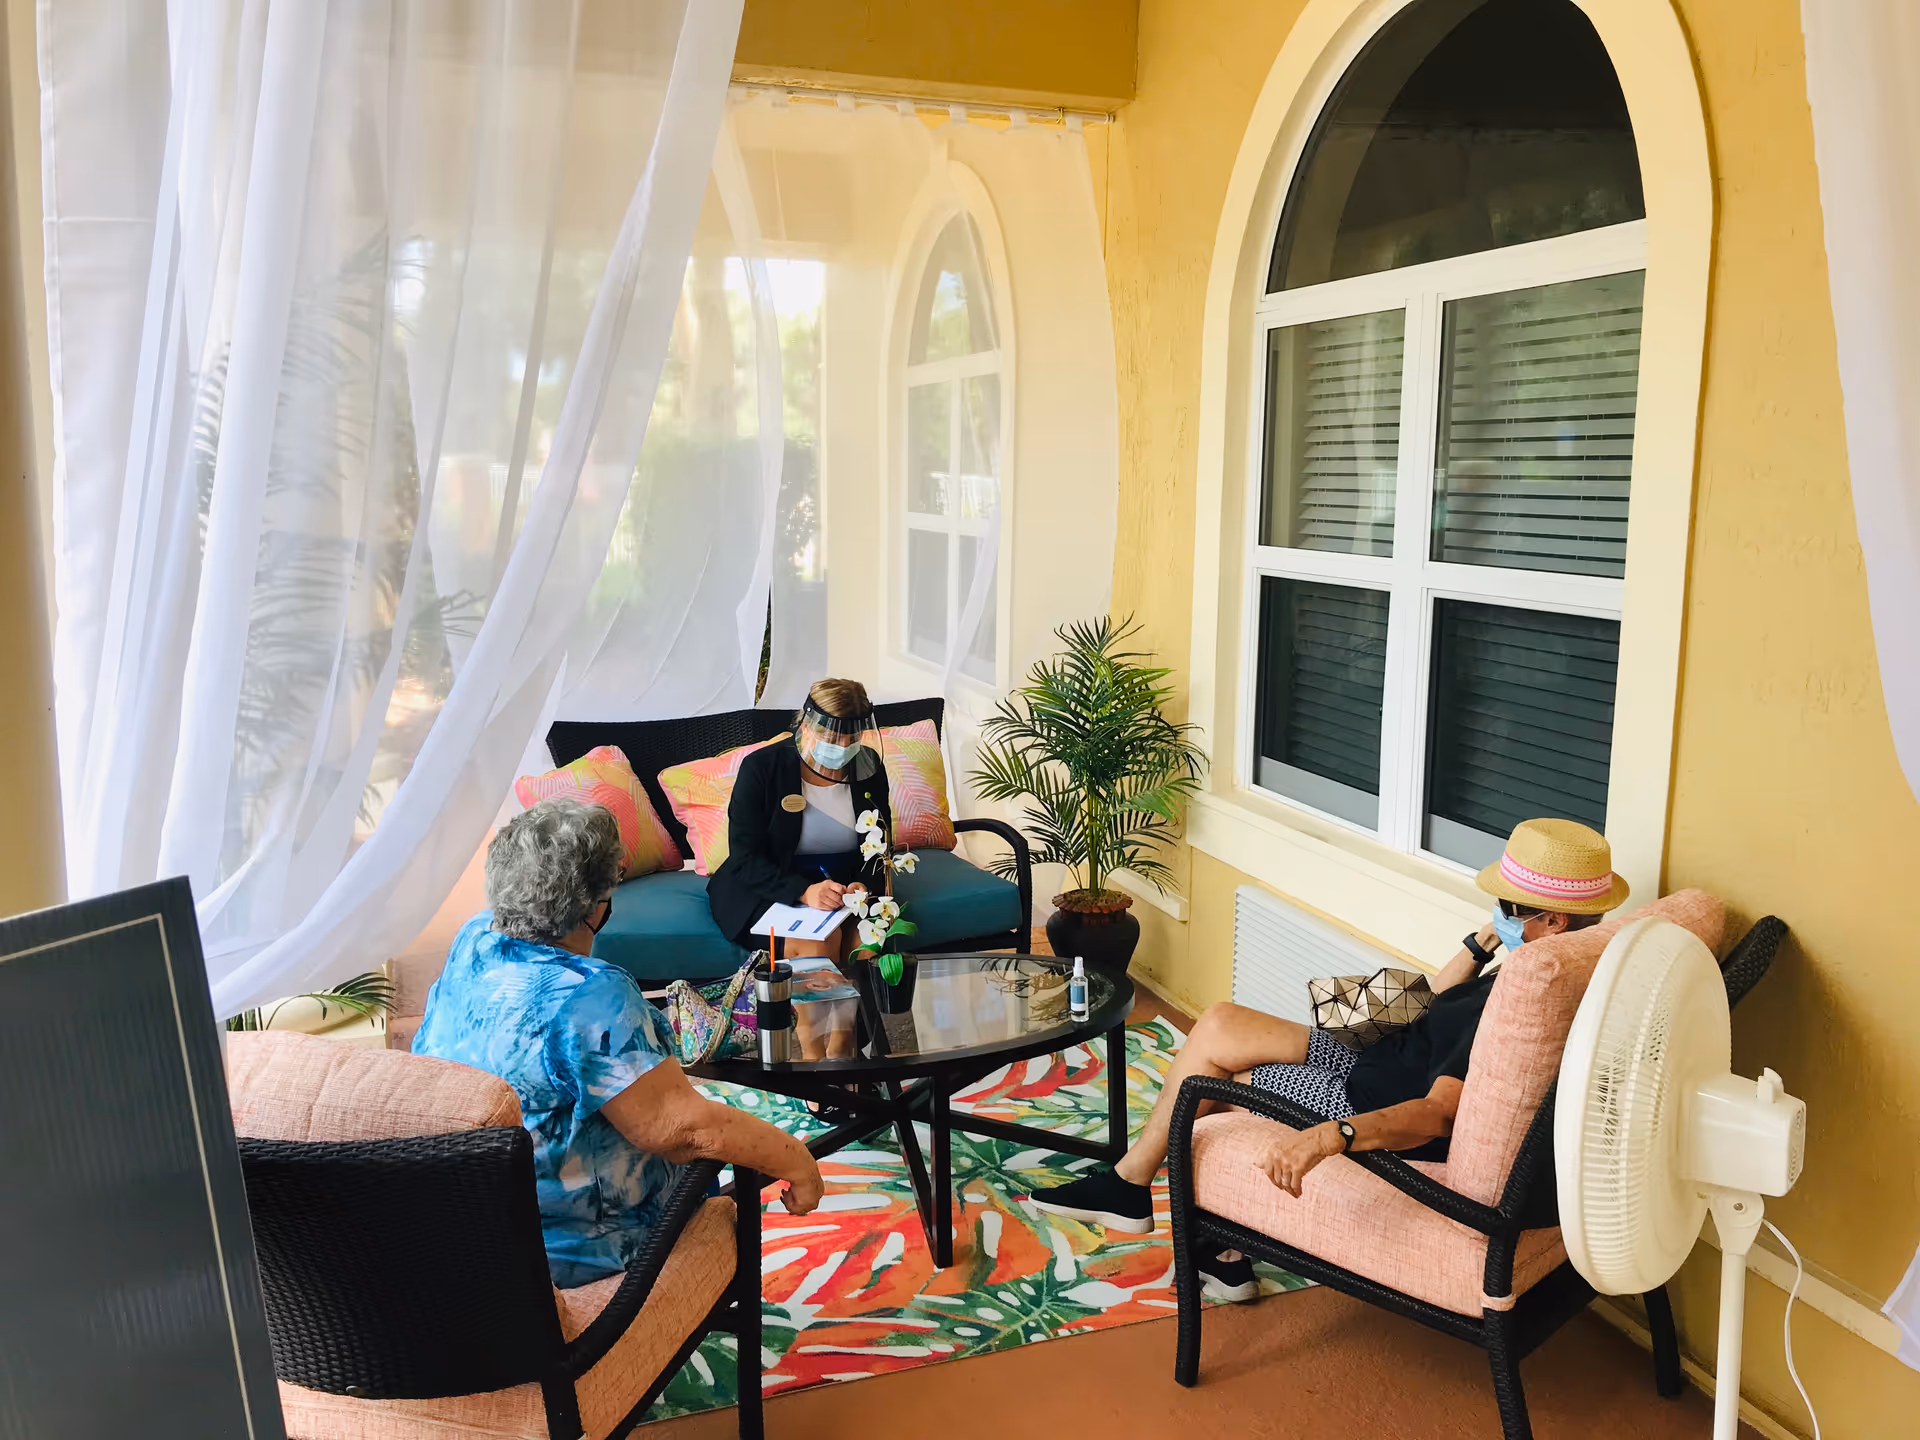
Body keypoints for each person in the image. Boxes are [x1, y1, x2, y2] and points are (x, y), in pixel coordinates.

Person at [1028, 817, 1627, 1303]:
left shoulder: (1519, 1006)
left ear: (1551, 919)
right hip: (1374, 1052)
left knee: (1216, 1076)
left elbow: (1439, 1112)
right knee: (1218, 1023)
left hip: (1365, 1097)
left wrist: (1333, 1135)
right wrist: (1484, 942)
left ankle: (1154, 1202)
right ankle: (1183, 1223)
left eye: (1508, 906)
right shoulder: (1547, 966)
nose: (1499, 912)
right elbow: (1433, 1004)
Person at [413, 797, 825, 1288]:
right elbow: (682, 1131)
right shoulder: (591, 994)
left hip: (470, 1211)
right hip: (572, 1243)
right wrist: (798, 1163)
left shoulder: (475, 937)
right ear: (594, 908)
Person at [706, 677, 892, 965]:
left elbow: (879, 843)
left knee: (869, 949)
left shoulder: (868, 767)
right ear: (806, 726)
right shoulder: (761, 769)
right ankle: (812, 1010)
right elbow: (745, 858)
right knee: (818, 947)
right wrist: (804, 892)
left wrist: (863, 885)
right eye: (832, 739)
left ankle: (862, 1011)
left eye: (851, 740)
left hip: (844, 889)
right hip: (769, 883)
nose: (843, 748)